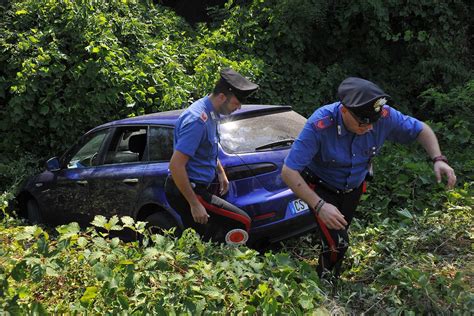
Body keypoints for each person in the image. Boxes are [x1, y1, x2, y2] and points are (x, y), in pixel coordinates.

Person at [281, 77, 456, 278]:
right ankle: (326, 282)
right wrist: (320, 206)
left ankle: (327, 257)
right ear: (344, 110)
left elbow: (421, 130)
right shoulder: (321, 124)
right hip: (320, 187)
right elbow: (289, 171)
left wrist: (438, 158)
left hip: (352, 189)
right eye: (363, 123)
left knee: (338, 234)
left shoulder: (384, 116)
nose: (370, 128)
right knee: (339, 243)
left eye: (374, 122)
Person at [165, 68, 259, 245]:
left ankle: (211, 266)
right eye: (236, 103)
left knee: (205, 239)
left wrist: (221, 172)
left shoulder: (212, 113)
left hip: (200, 187)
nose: (238, 107)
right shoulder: (196, 120)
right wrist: (193, 203)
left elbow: (207, 148)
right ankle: (227, 264)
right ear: (222, 97)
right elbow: (176, 166)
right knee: (240, 222)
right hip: (188, 190)